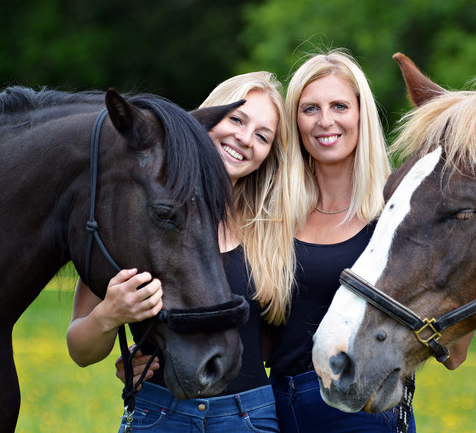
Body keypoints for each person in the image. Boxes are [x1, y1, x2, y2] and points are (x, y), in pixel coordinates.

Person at [69, 71, 295, 432]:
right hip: (159, 413)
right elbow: (80, 350)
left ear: (269, 154)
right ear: (206, 118)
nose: (245, 138)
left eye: (263, 135)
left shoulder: (272, 231)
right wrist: (110, 315)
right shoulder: (140, 218)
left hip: (248, 418)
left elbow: (270, 344)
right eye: (236, 118)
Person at [264, 49, 417, 433]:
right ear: (294, 121)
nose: (325, 121)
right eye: (310, 108)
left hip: (360, 409)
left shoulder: (394, 215)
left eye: (339, 106)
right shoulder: (274, 215)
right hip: (274, 408)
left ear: (361, 115)